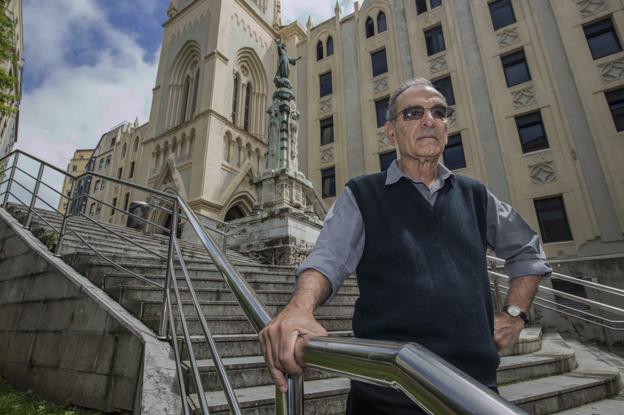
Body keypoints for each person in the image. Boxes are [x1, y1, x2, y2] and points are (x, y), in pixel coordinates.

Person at [259, 78, 551, 414]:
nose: (429, 120)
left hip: (472, 390)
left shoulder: (476, 196)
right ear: (390, 132)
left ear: (446, 126)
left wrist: (515, 314)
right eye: (413, 113)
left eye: (438, 112)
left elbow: (527, 250)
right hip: (386, 391)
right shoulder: (363, 194)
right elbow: (328, 258)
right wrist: (300, 308)